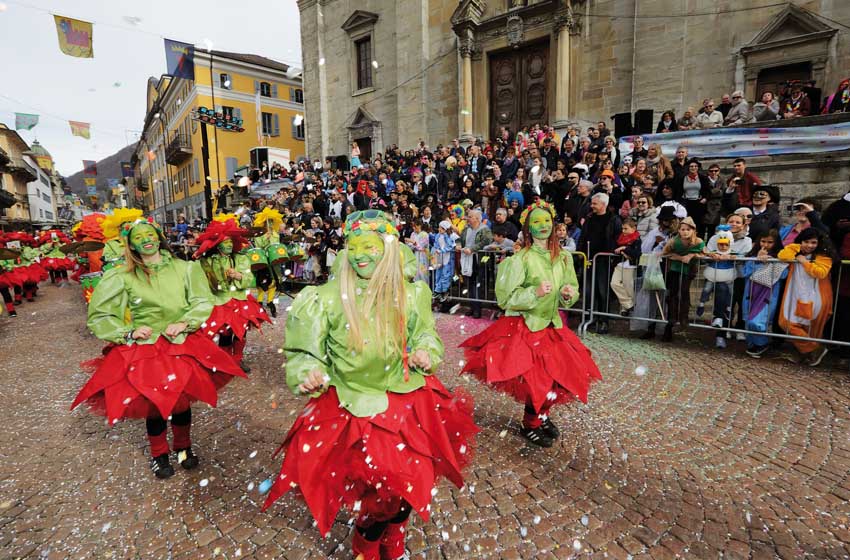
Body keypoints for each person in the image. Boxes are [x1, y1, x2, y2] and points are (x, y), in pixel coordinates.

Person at [262, 210, 478, 560]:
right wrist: (308, 372)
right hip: (352, 407)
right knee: (375, 501)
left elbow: (425, 333)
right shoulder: (325, 298)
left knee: (406, 491)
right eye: (355, 247)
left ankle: (393, 548)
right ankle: (366, 552)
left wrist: (425, 349)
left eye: (371, 247)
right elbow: (305, 351)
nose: (361, 255)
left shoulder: (410, 294)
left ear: (388, 250)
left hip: (407, 404)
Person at [71, 217, 246, 479]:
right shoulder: (122, 276)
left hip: (182, 344)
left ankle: (183, 449)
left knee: (181, 401)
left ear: (159, 237)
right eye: (138, 237)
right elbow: (101, 314)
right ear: (130, 245)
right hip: (146, 348)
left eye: (149, 234)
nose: (146, 240)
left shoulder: (186, 268)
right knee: (155, 403)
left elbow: (201, 300)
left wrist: (185, 322)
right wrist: (128, 331)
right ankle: (159, 454)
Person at [461, 200, 601, 447]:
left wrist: (568, 294)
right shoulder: (520, 259)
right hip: (526, 327)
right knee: (538, 380)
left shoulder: (564, 257)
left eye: (547, 221)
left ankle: (542, 415)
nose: (543, 226)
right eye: (537, 222)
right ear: (528, 228)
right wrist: (534, 293)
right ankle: (531, 422)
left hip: (553, 326)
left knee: (558, 377)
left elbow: (572, 289)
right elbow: (506, 298)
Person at [192, 216, 270, 366]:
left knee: (241, 333)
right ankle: (226, 360)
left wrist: (238, 275)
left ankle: (238, 359)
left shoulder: (240, 259)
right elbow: (200, 280)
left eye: (230, 242)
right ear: (218, 244)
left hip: (239, 300)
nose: (228, 245)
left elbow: (249, 279)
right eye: (224, 242)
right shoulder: (208, 261)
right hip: (220, 301)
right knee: (225, 333)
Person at [778, 228, 834, 366]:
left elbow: (820, 272)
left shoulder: (824, 257)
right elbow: (783, 256)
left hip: (817, 298)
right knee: (786, 323)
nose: (809, 245)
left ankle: (807, 355)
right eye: (806, 241)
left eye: (813, 242)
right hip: (795, 295)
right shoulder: (796, 252)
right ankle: (816, 349)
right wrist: (797, 247)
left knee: (811, 329)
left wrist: (804, 262)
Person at [578, 193, 622, 334]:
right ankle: (588, 318)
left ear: (604, 204)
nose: (592, 206)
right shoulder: (590, 218)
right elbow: (583, 237)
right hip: (589, 259)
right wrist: (581, 254)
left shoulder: (613, 219)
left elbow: (617, 238)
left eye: (595, 204)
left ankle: (604, 320)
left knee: (603, 292)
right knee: (589, 291)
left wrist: (613, 255)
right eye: (592, 203)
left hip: (604, 260)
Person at [741, 230, 787, 358]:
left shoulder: (781, 257)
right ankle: (753, 345)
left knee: (757, 321)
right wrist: (757, 261)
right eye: (763, 241)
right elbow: (746, 273)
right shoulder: (751, 256)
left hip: (767, 295)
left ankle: (762, 343)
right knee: (748, 320)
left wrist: (769, 262)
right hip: (751, 292)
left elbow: (783, 275)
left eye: (770, 242)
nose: (766, 245)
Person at [661, 217, 705, 342]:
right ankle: (671, 322)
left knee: (684, 293)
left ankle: (684, 318)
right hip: (674, 270)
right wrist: (680, 258)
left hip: (688, 271)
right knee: (673, 294)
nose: (685, 232)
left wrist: (692, 255)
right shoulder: (674, 241)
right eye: (682, 229)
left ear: (693, 231)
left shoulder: (698, 241)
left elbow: (705, 253)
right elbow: (665, 253)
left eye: (687, 229)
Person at [697, 226, 737, 348]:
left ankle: (725, 315)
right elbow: (703, 255)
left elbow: (743, 255)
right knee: (707, 289)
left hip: (730, 277)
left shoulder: (740, 244)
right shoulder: (713, 247)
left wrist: (733, 257)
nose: (723, 247)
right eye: (721, 244)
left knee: (728, 293)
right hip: (714, 275)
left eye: (726, 245)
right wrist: (710, 255)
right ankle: (703, 305)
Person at [459, 209, 493, 318]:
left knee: (478, 284)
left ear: (477, 218)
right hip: (467, 259)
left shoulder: (485, 229)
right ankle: (472, 306)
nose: (467, 218)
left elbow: (486, 241)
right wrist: (458, 245)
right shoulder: (466, 229)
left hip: (478, 260)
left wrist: (473, 249)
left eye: (470, 216)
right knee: (469, 284)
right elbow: (460, 239)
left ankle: (477, 308)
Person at [251, 207, 282, 317]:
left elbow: (276, 247)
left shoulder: (276, 234)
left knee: (273, 282)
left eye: (271, 222)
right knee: (261, 284)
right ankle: (259, 303)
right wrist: (265, 238)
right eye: (268, 222)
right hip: (263, 262)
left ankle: (270, 302)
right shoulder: (259, 234)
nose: (270, 224)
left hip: (273, 262)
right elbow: (259, 247)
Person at [609, 218, 641, 316]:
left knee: (629, 288)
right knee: (614, 284)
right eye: (622, 229)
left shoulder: (637, 240)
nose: (623, 231)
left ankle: (625, 309)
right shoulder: (620, 238)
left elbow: (636, 253)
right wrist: (623, 251)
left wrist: (624, 248)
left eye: (626, 229)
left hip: (630, 267)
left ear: (633, 228)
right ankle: (629, 304)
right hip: (619, 265)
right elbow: (614, 248)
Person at [432, 219, 457, 310]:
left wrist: (442, 250)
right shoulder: (438, 235)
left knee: (445, 275)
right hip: (439, 258)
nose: (439, 229)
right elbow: (436, 245)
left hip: (447, 258)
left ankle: (445, 291)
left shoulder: (450, 236)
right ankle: (438, 291)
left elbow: (450, 246)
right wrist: (435, 252)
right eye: (439, 228)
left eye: (441, 228)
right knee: (438, 274)